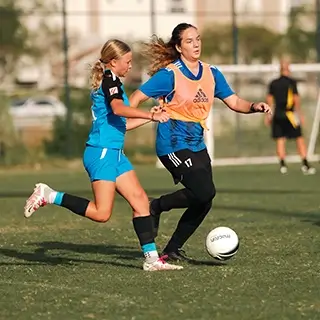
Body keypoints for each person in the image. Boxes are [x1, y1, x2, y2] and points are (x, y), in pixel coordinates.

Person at [23, 39, 183, 271]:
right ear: (113, 61)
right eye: (127, 62)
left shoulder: (114, 81)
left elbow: (122, 124)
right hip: (102, 153)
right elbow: (118, 109)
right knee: (101, 213)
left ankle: (151, 260)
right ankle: (49, 195)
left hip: (114, 153)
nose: (130, 66)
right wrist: (150, 116)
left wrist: (151, 115)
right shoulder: (110, 81)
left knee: (140, 202)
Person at [129, 23, 272, 261]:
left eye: (198, 39)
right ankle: (156, 206)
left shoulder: (211, 73)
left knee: (205, 199)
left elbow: (234, 101)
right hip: (172, 143)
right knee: (204, 191)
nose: (195, 44)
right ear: (178, 47)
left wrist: (254, 107)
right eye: (189, 41)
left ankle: (172, 249)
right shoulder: (170, 75)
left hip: (196, 142)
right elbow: (136, 97)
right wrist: (127, 116)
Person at [265, 59, 316, 175]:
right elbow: (296, 99)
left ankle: (283, 165)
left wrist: (268, 115)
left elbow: (269, 99)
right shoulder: (291, 82)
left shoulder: (273, 83)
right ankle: (305, 164)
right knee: (299, 138)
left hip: (277, 114)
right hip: (289, 114)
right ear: (288, 69)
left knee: (280, 139)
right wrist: (300, 114)